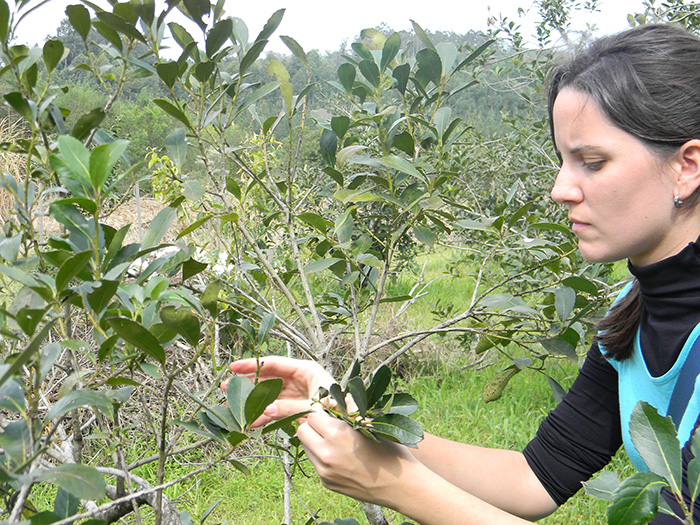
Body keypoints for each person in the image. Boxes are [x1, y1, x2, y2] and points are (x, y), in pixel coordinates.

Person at [225, 23, 700, 524]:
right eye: (563, 161)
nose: (561, 188)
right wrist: (355, 415)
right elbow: (539, 475)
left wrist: (394, 484)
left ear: (687, 166)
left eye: (593, 162)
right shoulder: (634, 309)